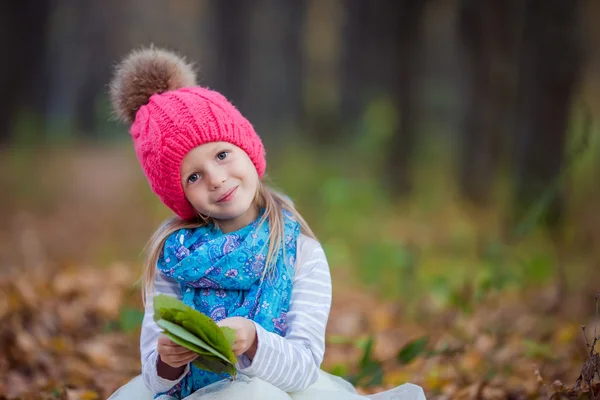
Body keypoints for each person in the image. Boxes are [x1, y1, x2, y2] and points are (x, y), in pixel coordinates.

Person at [106, 46, 426, 400]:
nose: (215, 178)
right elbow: (154, 379)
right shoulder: (174, 259)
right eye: (194, 176)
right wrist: (168, 361)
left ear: (248, 149)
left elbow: (304, 366)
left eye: (222, 155)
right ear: (179, 195)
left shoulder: (300, 251)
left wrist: (255, 342)